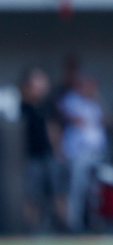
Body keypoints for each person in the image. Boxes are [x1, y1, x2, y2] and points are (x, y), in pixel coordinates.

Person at [58, 73, 108, 233]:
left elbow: (107, 119)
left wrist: (97, 98)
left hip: (97, 154)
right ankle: (74, 226)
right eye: (88, 86)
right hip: (79, 154)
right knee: (77, 191)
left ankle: (93, 225)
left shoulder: (95, 104)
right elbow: (71, 117)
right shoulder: (73, 100)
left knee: (94, 192)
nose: (91, 89)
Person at [19, 67, 65, 233]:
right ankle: (31, 229)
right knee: (32, 196)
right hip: (30, 158)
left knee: (58, 192)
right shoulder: (22, 107)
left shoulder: (47, 106)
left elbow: (53, 130)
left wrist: (58, 152)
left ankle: (62, 228)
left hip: (49, 156)